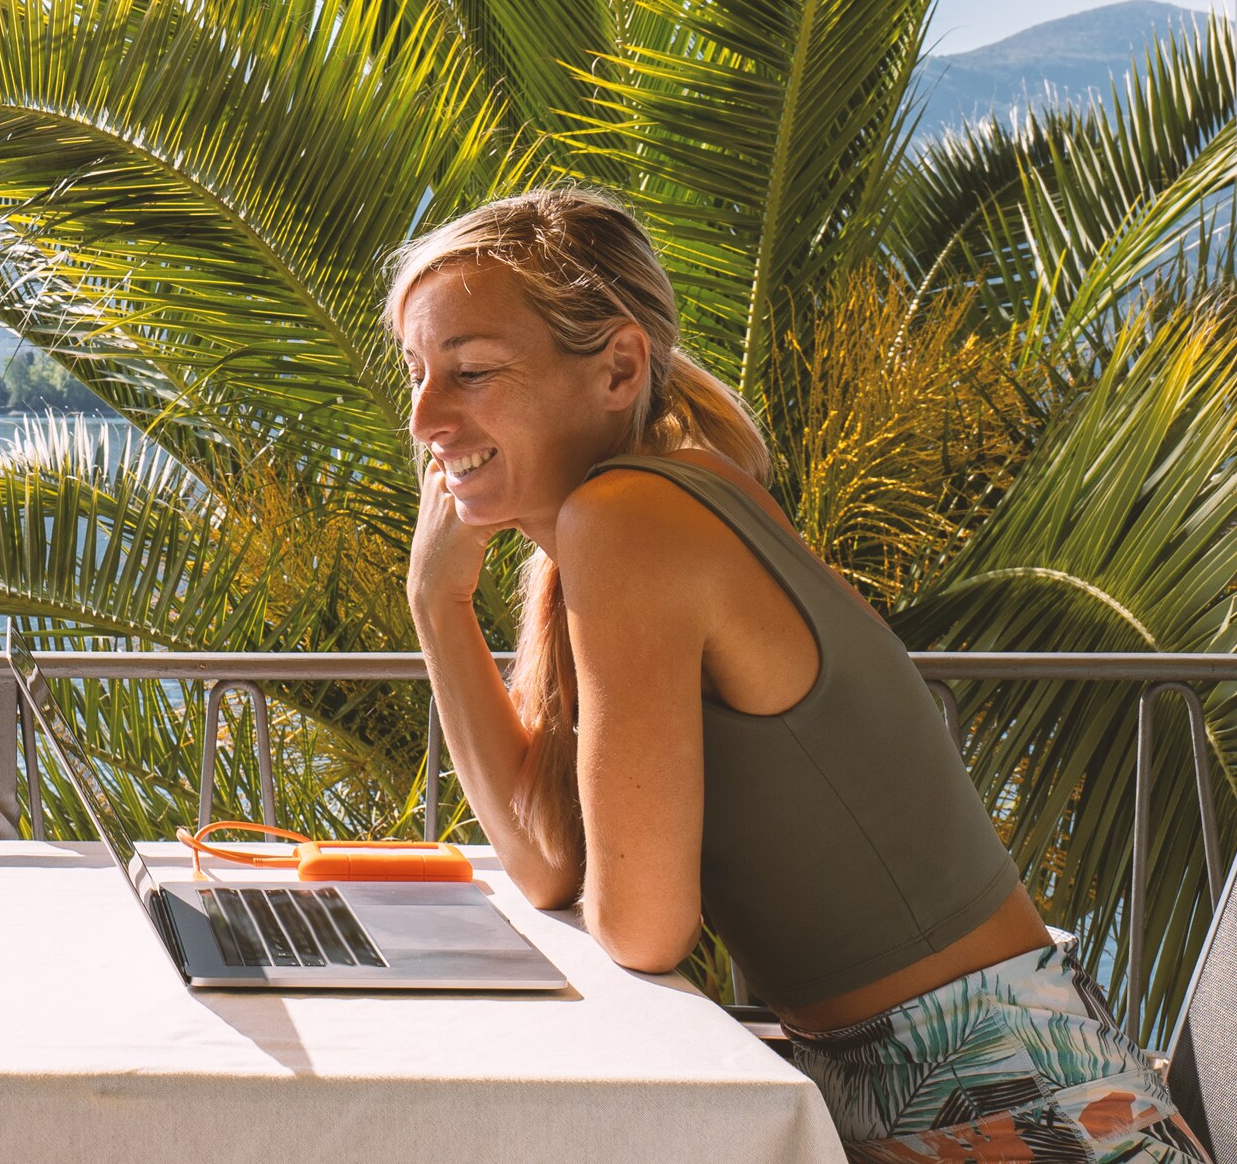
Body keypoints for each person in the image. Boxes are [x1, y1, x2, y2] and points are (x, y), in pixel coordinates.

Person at [390, 187, 1209, 1163]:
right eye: (416, 371)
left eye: (470, 371)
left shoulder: (629, 523)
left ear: (615, 367)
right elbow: (549, 862)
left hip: (1029, 1124)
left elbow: (641, 926)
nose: (425, 414)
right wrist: (433, 602)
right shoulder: (636, 515)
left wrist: (439, 609)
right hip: (990, 1103)